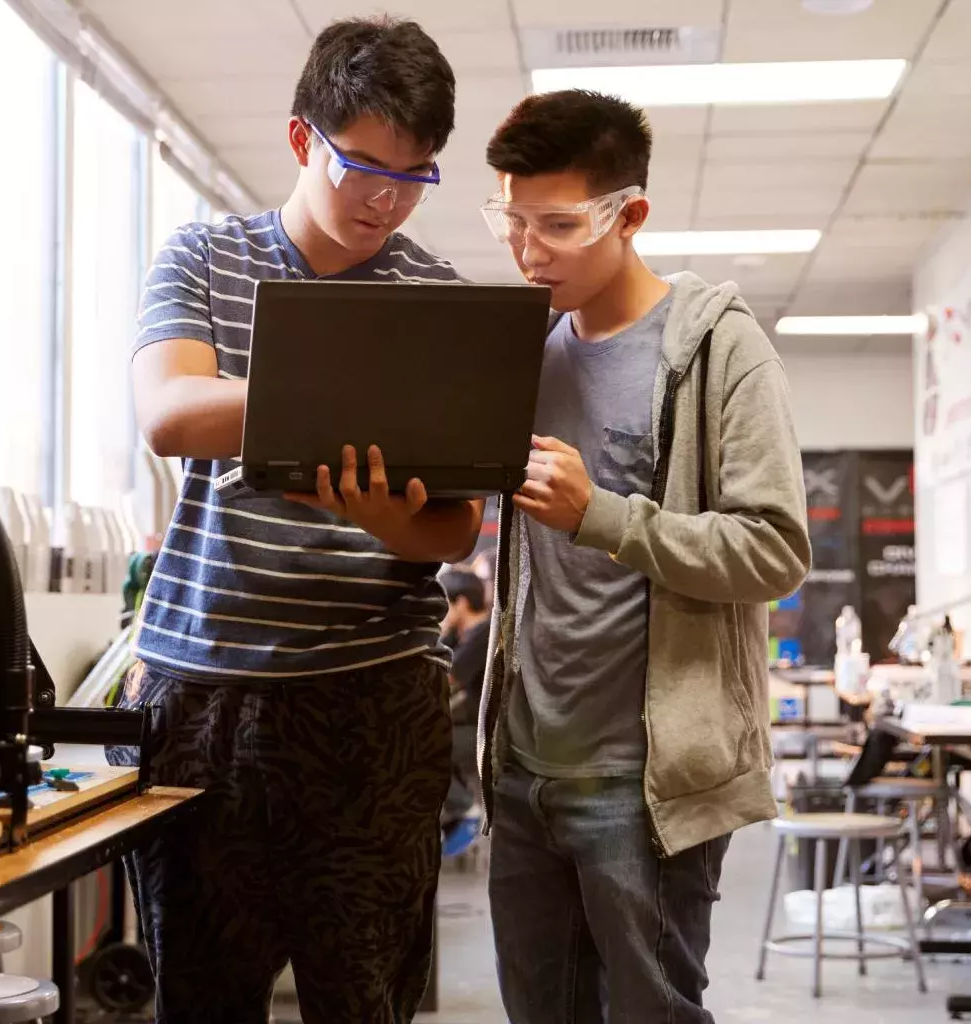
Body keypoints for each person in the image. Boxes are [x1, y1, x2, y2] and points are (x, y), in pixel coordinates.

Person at [117, 17, 480, 1024]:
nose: (385, 198)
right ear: (299, 140)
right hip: (204, 702)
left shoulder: (433, 300)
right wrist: (339, 382)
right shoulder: (202, 257)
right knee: (201, 997)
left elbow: (451, 531)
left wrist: (379, 516)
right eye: (361, 164)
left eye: (416, 175)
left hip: (375, 703)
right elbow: (170, 414)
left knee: (365, 1000)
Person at [474, 89, 812, 1023]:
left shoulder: (719, 350)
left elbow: (777, 548)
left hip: (647, 783)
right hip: (524, 767)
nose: (528, 248)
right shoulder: (529, 354)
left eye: (557, 223)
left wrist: (607, 516)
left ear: (630, 215)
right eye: (511, 220)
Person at [439, 567, 491, 850]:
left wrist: (444, 631)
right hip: (470, 725)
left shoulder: (483, 632)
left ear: (460, 603)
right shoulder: (467, 635)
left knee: (428, 745)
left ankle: (466, 809)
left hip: (487, 733)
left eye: (445, 605)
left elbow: (446, 674)